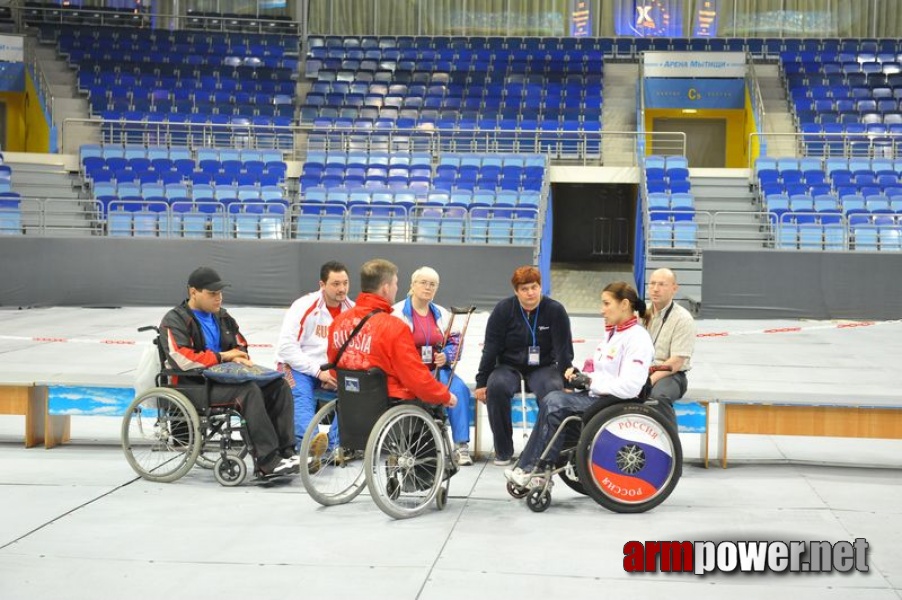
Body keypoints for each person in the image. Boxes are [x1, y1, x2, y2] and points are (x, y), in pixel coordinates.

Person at [505, 282, 654, 487]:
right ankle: (528, 466)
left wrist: (591, 382)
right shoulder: (614, 334)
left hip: (616, 403)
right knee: (552, 399)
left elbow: (631, 387)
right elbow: (603, 373)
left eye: (606, 303)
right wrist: (581, 377)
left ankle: (537, 470)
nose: (602, 310)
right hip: (600, 398)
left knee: (556, 402)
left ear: (624, 304)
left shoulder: (638, 338)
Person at [160, 266, 297, 478]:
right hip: (194, 386)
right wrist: (223, 356)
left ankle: (286, 452)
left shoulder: (223, 317)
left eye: (220, 293)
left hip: (224, 380)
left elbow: (240, 345)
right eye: (212, 294)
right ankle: (267, 462)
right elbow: (181, 358)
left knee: (279, 385)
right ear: (193, 292)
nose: (219, 298)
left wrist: (240, 356)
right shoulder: (174, 320)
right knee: (249, 392)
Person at [474, 265, 574, 466]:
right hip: (508, 366)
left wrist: (566, 381)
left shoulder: (555, 310)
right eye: (524, 289)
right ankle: (503, 450)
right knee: (497, 388)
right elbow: (491, 348)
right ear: (516, 291)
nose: (530, 293)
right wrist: (481, 381)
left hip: (543, 367)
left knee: (553, 392)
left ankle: (545, 449)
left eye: (534, 287)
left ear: (540, 287)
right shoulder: (503, 310)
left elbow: (564, 349)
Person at [327, 258, 457, 410]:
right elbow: (414, 376)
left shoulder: (338, 322)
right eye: (395, 283)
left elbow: (333, 366)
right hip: (388, 401)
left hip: (350, 399)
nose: (397, 288)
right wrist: (443, 395)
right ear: (385, 288)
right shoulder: (394, 326)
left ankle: (334, 434)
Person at [392, 266, 474, 466]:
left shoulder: (442, 314)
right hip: (410, 372)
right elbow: (392, 347)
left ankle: (461, 446)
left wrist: (446, 356)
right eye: (423, 283)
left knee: (459, 389)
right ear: (412, 285)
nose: (427, 288)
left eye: (433, 284)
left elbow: (456, 342)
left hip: (438, 370)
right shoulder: (396, 313)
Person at [276, 261, 354, 456]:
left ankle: (333, 445)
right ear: (322, 285)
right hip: (296, 366)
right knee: (301, 397)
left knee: (356, 394)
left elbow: (355, 351)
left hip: (330, 370)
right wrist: (318, 372)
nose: (342, 289)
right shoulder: (303, 306)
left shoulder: (353, 311)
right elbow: (286, 348)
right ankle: (310, 444)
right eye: (336, 284)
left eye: (345, 283)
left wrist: (332, 373)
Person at [645, 268, 695, 423]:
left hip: (671, 374)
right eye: (652, 283)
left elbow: (676, 362)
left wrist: (650, 380)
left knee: (657, 398)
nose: (655, 289)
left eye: (662, 284)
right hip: (642, 370)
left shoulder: (683, 319)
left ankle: (670, 443)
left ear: (674, 288)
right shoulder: (639, 313)